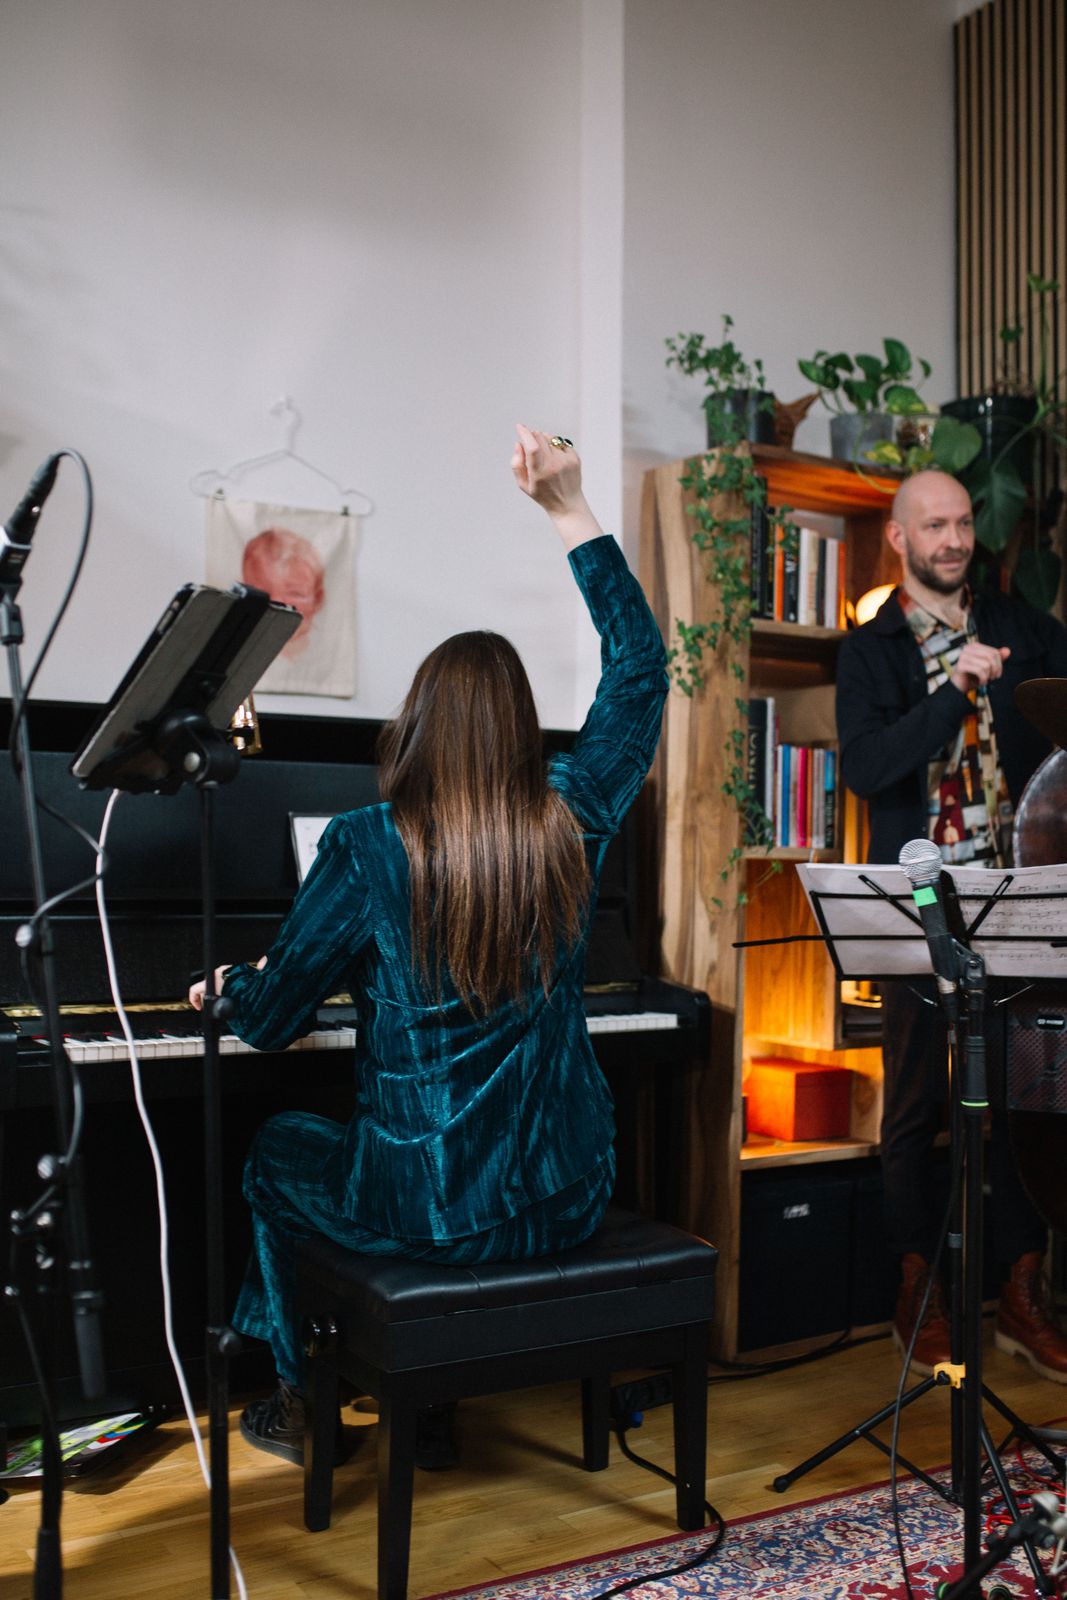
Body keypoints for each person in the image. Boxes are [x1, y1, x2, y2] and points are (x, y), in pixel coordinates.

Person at [189, 424, 669, 1464]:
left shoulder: (367, 844)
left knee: (278, 1151)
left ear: (414, 727)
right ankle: (416, 1387)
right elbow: (640, 668)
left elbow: (269, 1023)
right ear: (520, 734)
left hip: (426, 1210)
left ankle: (301, 1398)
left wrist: (231, 987)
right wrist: (568, 508)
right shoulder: (572, 813)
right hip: (565, 1197)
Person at [837, 468, 1067, 1381]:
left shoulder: (1018, 626)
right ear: (898, 538)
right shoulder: (871, 648)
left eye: (964, 522)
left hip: (1018, 897)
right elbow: (866, 768)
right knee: (914, 1106)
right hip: (921, 907)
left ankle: (1019, 1295)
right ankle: (918, 1292)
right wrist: (952, 693)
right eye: (934, 526)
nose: (955, 540)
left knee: (1024, 1102)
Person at [241, 526, 326, 658]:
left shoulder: (326, 651)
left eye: (295, 593)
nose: (277, 602)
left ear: (318, 599)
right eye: (264, 592)